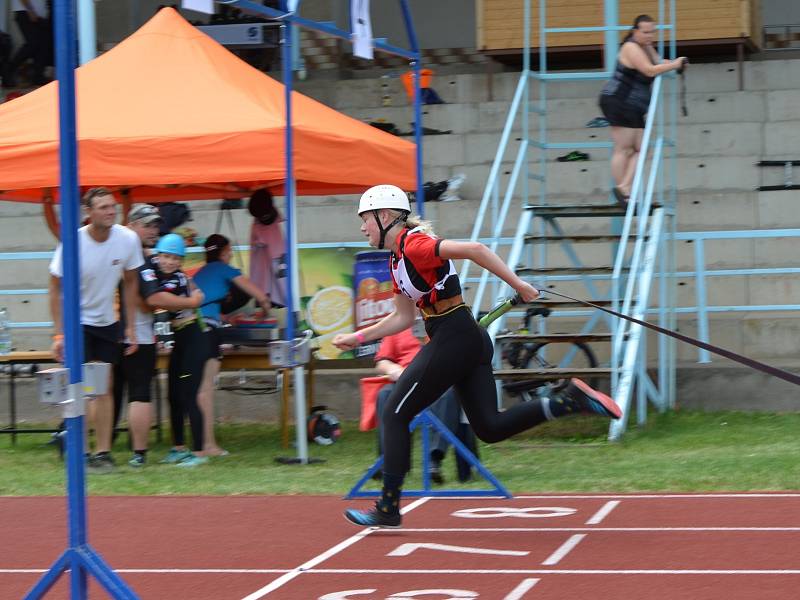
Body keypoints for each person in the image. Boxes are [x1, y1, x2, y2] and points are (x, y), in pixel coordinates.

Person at [333, 184, 622, 528]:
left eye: (365, 219)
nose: (362, 227)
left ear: (385, 216)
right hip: (464, 338)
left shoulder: (415, 245)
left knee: (395, 412)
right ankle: (567, 402)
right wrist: (358, 337)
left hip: (455, 337)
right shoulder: (397, 260)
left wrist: (520, 285)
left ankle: (389, 507)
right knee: (490, 427)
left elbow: (475, 248)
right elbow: (403, 318)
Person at [49, 187, 143, 474]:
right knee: (84, 388)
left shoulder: (127, 239)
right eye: (103, 207)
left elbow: (130, 282)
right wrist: (58, 334)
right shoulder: (73, 243)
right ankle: (82, 450)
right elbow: (54, 287)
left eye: (112, 206)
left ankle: (103, 452)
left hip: (106, 321)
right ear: (89, 213)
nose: (110, 211)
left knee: (104, 386)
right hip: (77, 321)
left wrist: (130, 326)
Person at [114, 205, 205, 467]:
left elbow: (156, 299)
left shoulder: (161, 267)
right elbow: (152, 300)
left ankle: (195, 449)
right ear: (132, 225)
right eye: (148, 225)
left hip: (183, 336)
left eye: (175, 258)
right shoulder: (145, 260)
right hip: (138, 334)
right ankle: (168, 449)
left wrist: (190, 299)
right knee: (157, 394)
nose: (169, 261)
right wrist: (192, 302)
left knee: (182, 394)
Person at [193, 234, 271, 456]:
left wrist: (225, 319)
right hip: (207, 332)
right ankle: (207, 446)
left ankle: (197, 445)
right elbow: (260, 296)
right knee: (205, 388)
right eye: (229, 251)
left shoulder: (201, 273)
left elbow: (203, 306)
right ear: (224, 252)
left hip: (192, 330)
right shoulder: (223, 268)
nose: (231, 255)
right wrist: (262, 312)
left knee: (196, 388)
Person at [599, 14, 687, 204]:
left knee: (644, 149)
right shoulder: (631, 47)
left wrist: (676, 63)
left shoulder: (645, 47)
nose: (649, 36)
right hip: (620, 101)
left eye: (652, 32)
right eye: (645, 32)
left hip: (633, 105)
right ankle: (623, 190)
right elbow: (648, 70)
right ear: (635, 31)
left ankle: (624, 188)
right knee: (624, 148)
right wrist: (674, 65)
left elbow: (657, 63)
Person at [372, 326, 472, 484]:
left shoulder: (444, 323)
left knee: (449, 395)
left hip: (437, 381)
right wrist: (392, 369)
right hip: (404, 380)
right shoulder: (399, 324)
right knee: (384, 395)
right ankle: (391, 460)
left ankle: (434, 460)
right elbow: (382, 361)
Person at [153, 233, 209, 467]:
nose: (170, 262)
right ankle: (178, 447)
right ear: (158, 256)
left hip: (191, 337)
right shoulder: (156, 273)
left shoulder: (176, 279)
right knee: (173, 396)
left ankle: (198, 453)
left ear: (181, 261)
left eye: (176, 258)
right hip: (178, 339)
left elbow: (163, 301)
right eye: (166, 256)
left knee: (188, 395)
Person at [248, 188, 287, 308]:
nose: (262, 219)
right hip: (263, 282)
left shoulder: (281, 226)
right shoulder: (256, 225)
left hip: (279, 278)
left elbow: (281, 259)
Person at [3, 0, 51, 88]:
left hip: (38, 15)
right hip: (26, 12)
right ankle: (8, 69)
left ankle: (38, 76)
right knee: (33, 43)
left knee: (42, 46)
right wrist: (31, 11)